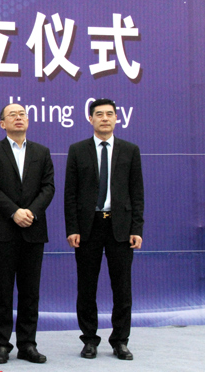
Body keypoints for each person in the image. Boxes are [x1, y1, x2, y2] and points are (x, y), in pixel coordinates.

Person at [64, 98, 144, 361]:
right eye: (99, 114)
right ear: (91, 119)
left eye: (110, 114)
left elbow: (137, 193)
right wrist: (72, 228)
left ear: (117, 118)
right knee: (86, 287)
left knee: (122, 288)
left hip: (120, 227)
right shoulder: (78, 150)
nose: (105, 118)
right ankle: (89, 340)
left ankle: (120, 341)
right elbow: (70, 194)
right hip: (88, 228)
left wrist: (137, 228)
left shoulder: (130, 150)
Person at [0, 103, 55, 364]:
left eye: (22, 114)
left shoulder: (41, 152)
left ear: (28, 120)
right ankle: (2, 344)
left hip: (33, 229)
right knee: (2, 291)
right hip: (2, 230)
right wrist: (14, 212)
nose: (18, 117)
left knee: (30, 291)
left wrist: (31, 212)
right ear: (2, 123)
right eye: (12, 114)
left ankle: (27, 344)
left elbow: (48, 187)